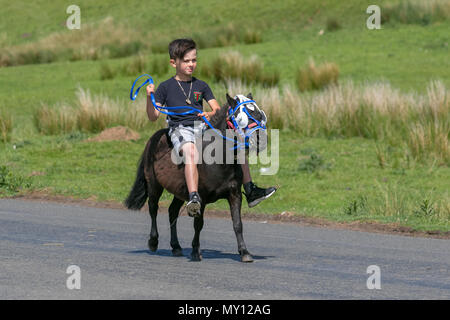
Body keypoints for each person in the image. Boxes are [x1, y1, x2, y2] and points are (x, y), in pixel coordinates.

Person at [146, 38, 276, 216]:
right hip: (180, 129)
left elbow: (216, 109)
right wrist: (150, 96)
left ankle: (250, 190)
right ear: (173, 63)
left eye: (194, 60)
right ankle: (193, 198)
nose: (191, 64)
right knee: (191, 152)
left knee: (235, 146)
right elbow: (153, 116)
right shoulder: (165, 87)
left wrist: (209, 114)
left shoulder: (201, 85)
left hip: (202, 128)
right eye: (186, 61)